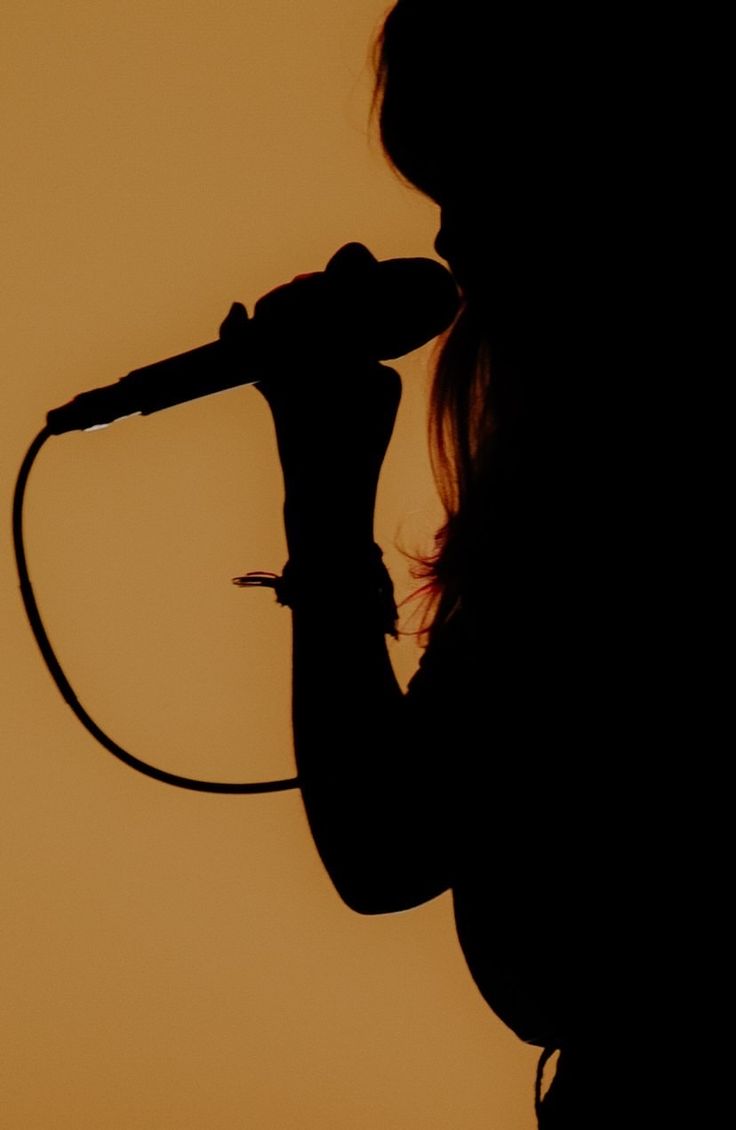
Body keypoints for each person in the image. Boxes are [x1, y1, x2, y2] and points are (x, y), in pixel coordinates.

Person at [226, 3, 686, 1125]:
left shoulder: (600, 490)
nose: (445, 241)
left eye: (474, 181)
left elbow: (386, 840)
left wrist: (325, 500)